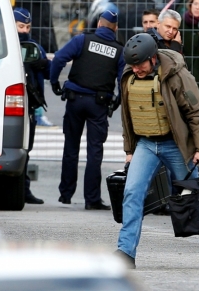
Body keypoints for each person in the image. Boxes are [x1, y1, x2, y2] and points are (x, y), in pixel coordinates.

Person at [114, 33, 199, 269]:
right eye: (132, 65)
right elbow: (128, 114)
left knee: (194, 196)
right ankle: (125, 252)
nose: (136, 69)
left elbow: (196, 111)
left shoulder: (177, 75)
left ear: (153, 58)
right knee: (132, 194)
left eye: (140, 64)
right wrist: (129, 149)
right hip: (146, 144)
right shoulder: (129, 74)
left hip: (175, 144)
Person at [50, 6, 125, 210]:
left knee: (71, 148)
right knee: (94, 153)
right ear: (115, 28)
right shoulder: (119, 50)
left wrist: (54, 82)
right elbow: (123, 79)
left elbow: (58, 59)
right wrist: (119, 99)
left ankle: (65, 195)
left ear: (99, 23)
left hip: (75, 101)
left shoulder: (82, 40)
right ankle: (91, 200)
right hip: (98, 104)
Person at [0, 8, 49, 205]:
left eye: (27, 26)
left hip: (29, 105)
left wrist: (40, 62)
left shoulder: (32, 46)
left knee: (26, 148)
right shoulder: (1, 46)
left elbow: (47, 70)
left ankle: (24, 189)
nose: (24, 30)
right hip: (10, 103)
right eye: (20, 26)